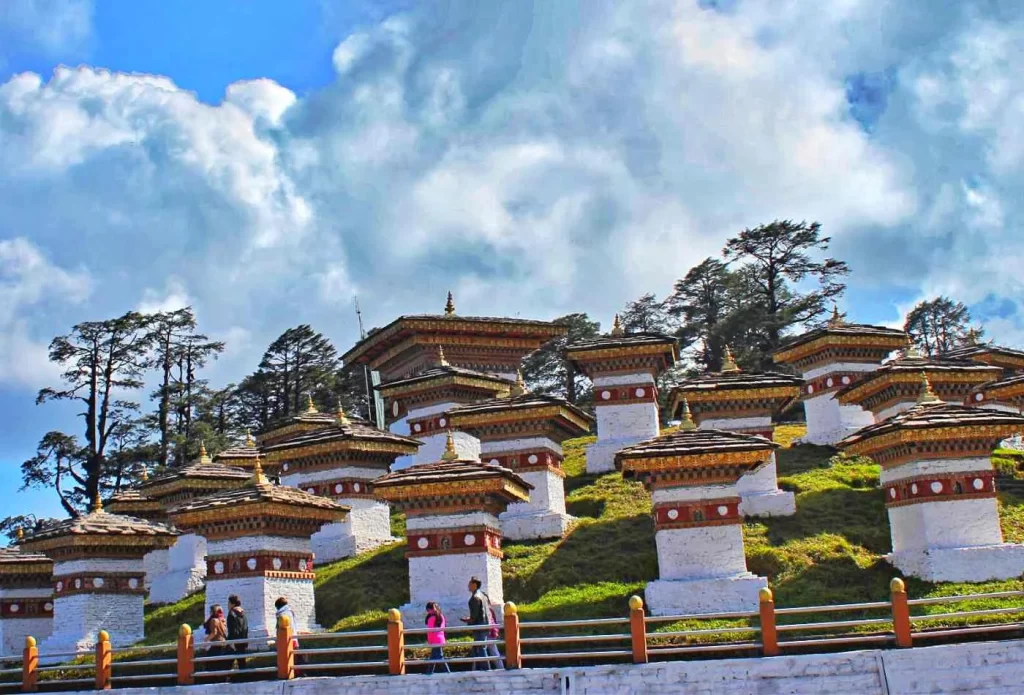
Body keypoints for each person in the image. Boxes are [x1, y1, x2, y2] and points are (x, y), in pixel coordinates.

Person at [460, 577, 491, 671]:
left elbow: (475, 616)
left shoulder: (475, 598)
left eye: (470, 583)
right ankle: (477, 668)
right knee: (479, 647)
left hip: (479, 626)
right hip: (486, 624)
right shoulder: (484, 595)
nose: (468, 585)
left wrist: (468, 620)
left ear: (474, 584)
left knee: (481, 648)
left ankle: (486, 669)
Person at [203, 604, 231, 679]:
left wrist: (206, 640)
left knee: (210, 663)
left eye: (210, 611)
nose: (210, 613)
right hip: (223, 645)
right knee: (221, 664)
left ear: (213, 612)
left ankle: (212, 679)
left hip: (216, 645)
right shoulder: (223, 620)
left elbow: (214, 633)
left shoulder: (213, 620)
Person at [275, 597, 304, 669]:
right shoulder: (290, 612)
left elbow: (280, 627)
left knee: (290, 657)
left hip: (286, 639)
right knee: (296, 656)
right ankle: (301, 671)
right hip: (294, 637)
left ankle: (298, 671)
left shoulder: (281, 614)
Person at [424, 602, 450, 674]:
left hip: (434, 640)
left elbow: (430, 632)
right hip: (441, 639)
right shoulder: (441, 616)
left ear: (429, 609)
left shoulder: (431, 618)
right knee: (433, 657)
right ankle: (429, 672)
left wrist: (429, 641)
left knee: (439, 657)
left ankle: (448, 672)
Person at [481, 592, 505, 670]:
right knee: (491, 651)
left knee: (493, 651)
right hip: (490, 632)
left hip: (489, 633)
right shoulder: (488, 610)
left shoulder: (486, 610)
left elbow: (490, 621)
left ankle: (499, 668)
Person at [227, 594, 248, 670]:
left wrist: (230, 642)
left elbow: (232, 629)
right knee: (242, 662)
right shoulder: (243, 613)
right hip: (243, 640)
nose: (228, 605)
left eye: (229, 603)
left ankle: (225, 677)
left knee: (227, 662)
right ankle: (243, 678)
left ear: (232, 604)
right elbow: (245, 628)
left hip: (234, 641)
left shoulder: (231, 613)